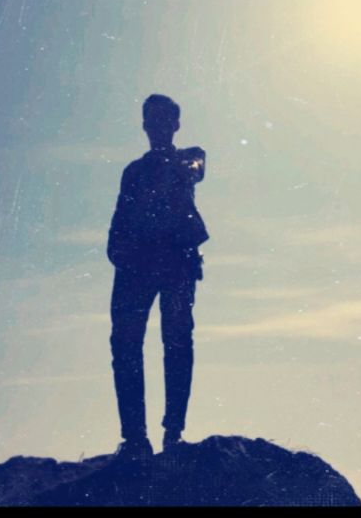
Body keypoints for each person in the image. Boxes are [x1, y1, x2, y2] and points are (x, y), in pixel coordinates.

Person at [107, 94, 209, 459]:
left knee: (177, 342)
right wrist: (116, 253)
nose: (155, 126)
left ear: (176, 124)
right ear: (144, 125)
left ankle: (173, 434)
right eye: (150, 119)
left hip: (175, 260)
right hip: (136, 264)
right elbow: (121, 214)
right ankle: (135, 438)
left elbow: (194, 169)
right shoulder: (133, 171)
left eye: (163, 119)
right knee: (125, 345)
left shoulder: (190, 156)